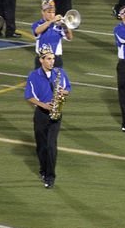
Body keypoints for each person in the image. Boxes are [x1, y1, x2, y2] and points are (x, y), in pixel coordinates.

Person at [24, 45, 71, 189]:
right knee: (41, 147)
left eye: (53, 59)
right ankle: (43, 170)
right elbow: (29, 96)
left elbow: (68, 88)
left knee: (51, 146)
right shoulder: (33, 75)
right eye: (49, 59)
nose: (52, 62)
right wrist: (43, 105)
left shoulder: (60, 72)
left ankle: (50, 176)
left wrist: (64, 92)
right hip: (41, 114)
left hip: (56, 114)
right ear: (41, 60)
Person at [32, 0, 73, 69]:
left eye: (53, 12)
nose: (51, 15)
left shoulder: (59, 25)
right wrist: (51, 21)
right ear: (42, 12)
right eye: (49, 12)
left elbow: (70, 37)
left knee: (57, 80)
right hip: (42, 58)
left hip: (56, 59)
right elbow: (37, 31)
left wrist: (65, 25)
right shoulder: (37, 24)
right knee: (40, 79)